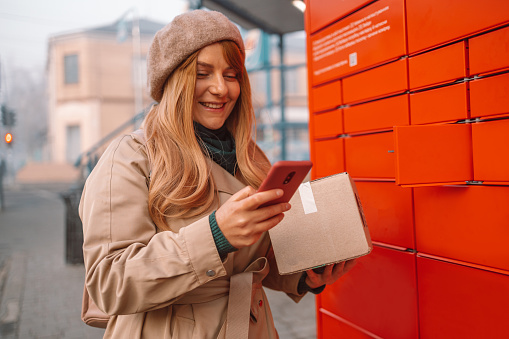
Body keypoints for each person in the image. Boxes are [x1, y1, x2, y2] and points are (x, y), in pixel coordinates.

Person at [79, 9, 355, 338]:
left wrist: (304, 275)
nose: (221, 89)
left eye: (231, 74)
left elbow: (255, 260)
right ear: (173, 80)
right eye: (203, 73)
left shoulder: (250, 157)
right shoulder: (130, 156)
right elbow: (108, 282)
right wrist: (215, 235)